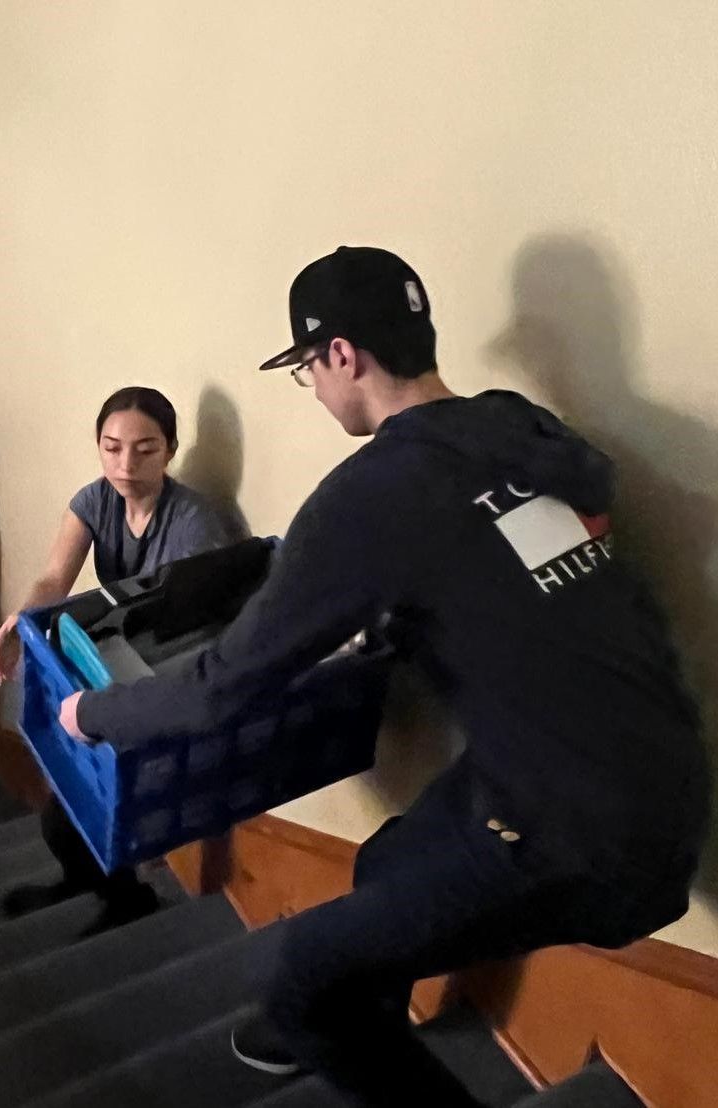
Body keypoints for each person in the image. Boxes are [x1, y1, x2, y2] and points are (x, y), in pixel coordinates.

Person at [59, 247, 710, 1105]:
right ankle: (363, 1013)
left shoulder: (373, 491)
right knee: (387, 863)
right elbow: (520, 558)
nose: (316, 391)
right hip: (658, 772)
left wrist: (90, 713)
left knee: (297, 980)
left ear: (340, 356)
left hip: (585, 835)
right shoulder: (514, 425)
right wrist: (409, 617)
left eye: (306, 370)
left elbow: (221, 687)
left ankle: (327, 1017)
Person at [0, 385, 229, 931]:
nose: (125, 463)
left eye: (145, 449)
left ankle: (126, 897)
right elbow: (54, 577)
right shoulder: (95, 499)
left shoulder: (194, 522)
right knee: (66, 805)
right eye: (112, 446)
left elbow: (187, 629)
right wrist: (19, 622)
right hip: (109, 659)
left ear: (170, 449)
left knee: (106, 803)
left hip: (165, 670)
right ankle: (93, 881)